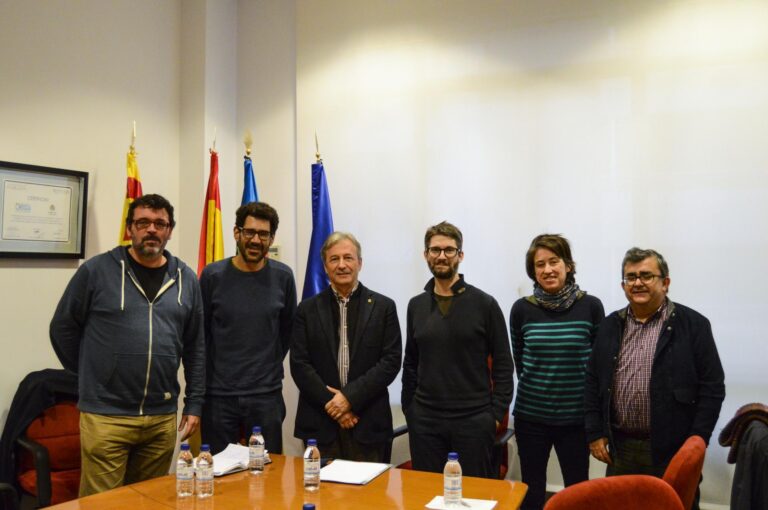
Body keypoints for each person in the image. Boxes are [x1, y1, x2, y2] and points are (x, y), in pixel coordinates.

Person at [50, 194, 204, 496]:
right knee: (102, 504)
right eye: (143, 222)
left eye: (160, 224)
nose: (152, 230)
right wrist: (92, 373)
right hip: (107, 416)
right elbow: (62, 328)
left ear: (170, 230)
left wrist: (195, 403)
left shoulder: (186, 278)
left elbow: (196, 347)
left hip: (161, 418)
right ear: (129, 228)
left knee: (148, 501)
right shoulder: (96, 272)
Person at [585, 247, 725, 508]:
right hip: (621, 447)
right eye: (631, 277)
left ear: (666, 282)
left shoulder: (693, 325)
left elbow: (712, 388)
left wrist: (697, 441)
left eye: (646, 275)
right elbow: (593, 381)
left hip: (673, 448)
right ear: (623, 285)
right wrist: (595, 432)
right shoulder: (609, 326)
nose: (637, 283)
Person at [401, 221, 514, 478]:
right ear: (426, 255)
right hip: (425, 422)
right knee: (426, 497)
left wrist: (495, 415)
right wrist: (411, 409)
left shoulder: (485, 304)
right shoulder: (415, 306)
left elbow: (504, 364)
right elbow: (411, 362)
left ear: (460, 255)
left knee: (473, 499)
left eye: (449, 250)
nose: (441, 256)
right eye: (435, 250)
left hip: (473, 421)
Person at [509, 234, 604, 510]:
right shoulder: (521, 309)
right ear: (533, 271)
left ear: (568, 266)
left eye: (554, 261)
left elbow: (598, 367)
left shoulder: (591, 306)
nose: (548, 269)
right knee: (532, 491)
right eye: (540, 264)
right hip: (531, 418)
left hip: (575, 419)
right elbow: (520, 361)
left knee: (577, 492)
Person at [290, 232, 402, 462]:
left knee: (370, 496)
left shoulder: (384, 307)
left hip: (368, 421)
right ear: (325, 266)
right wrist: (335, 406)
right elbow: (299, 364)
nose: (342, 265)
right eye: (334, 259)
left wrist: (349, 398)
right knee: (323, 495)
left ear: (359, 263)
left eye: (348, 258)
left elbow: (390, 362)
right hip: (320, 425)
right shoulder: (306, 309)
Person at [199, 202, 297, 455]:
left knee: (267, 473)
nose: (256, 240)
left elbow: (286, 332)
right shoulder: (212, 276)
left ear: (271, 238)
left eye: (263, 234)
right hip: (219, 396)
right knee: (219, 476)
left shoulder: (284, 277)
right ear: (236, 233)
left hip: (266, 396)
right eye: (249, 232)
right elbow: (201, 335)